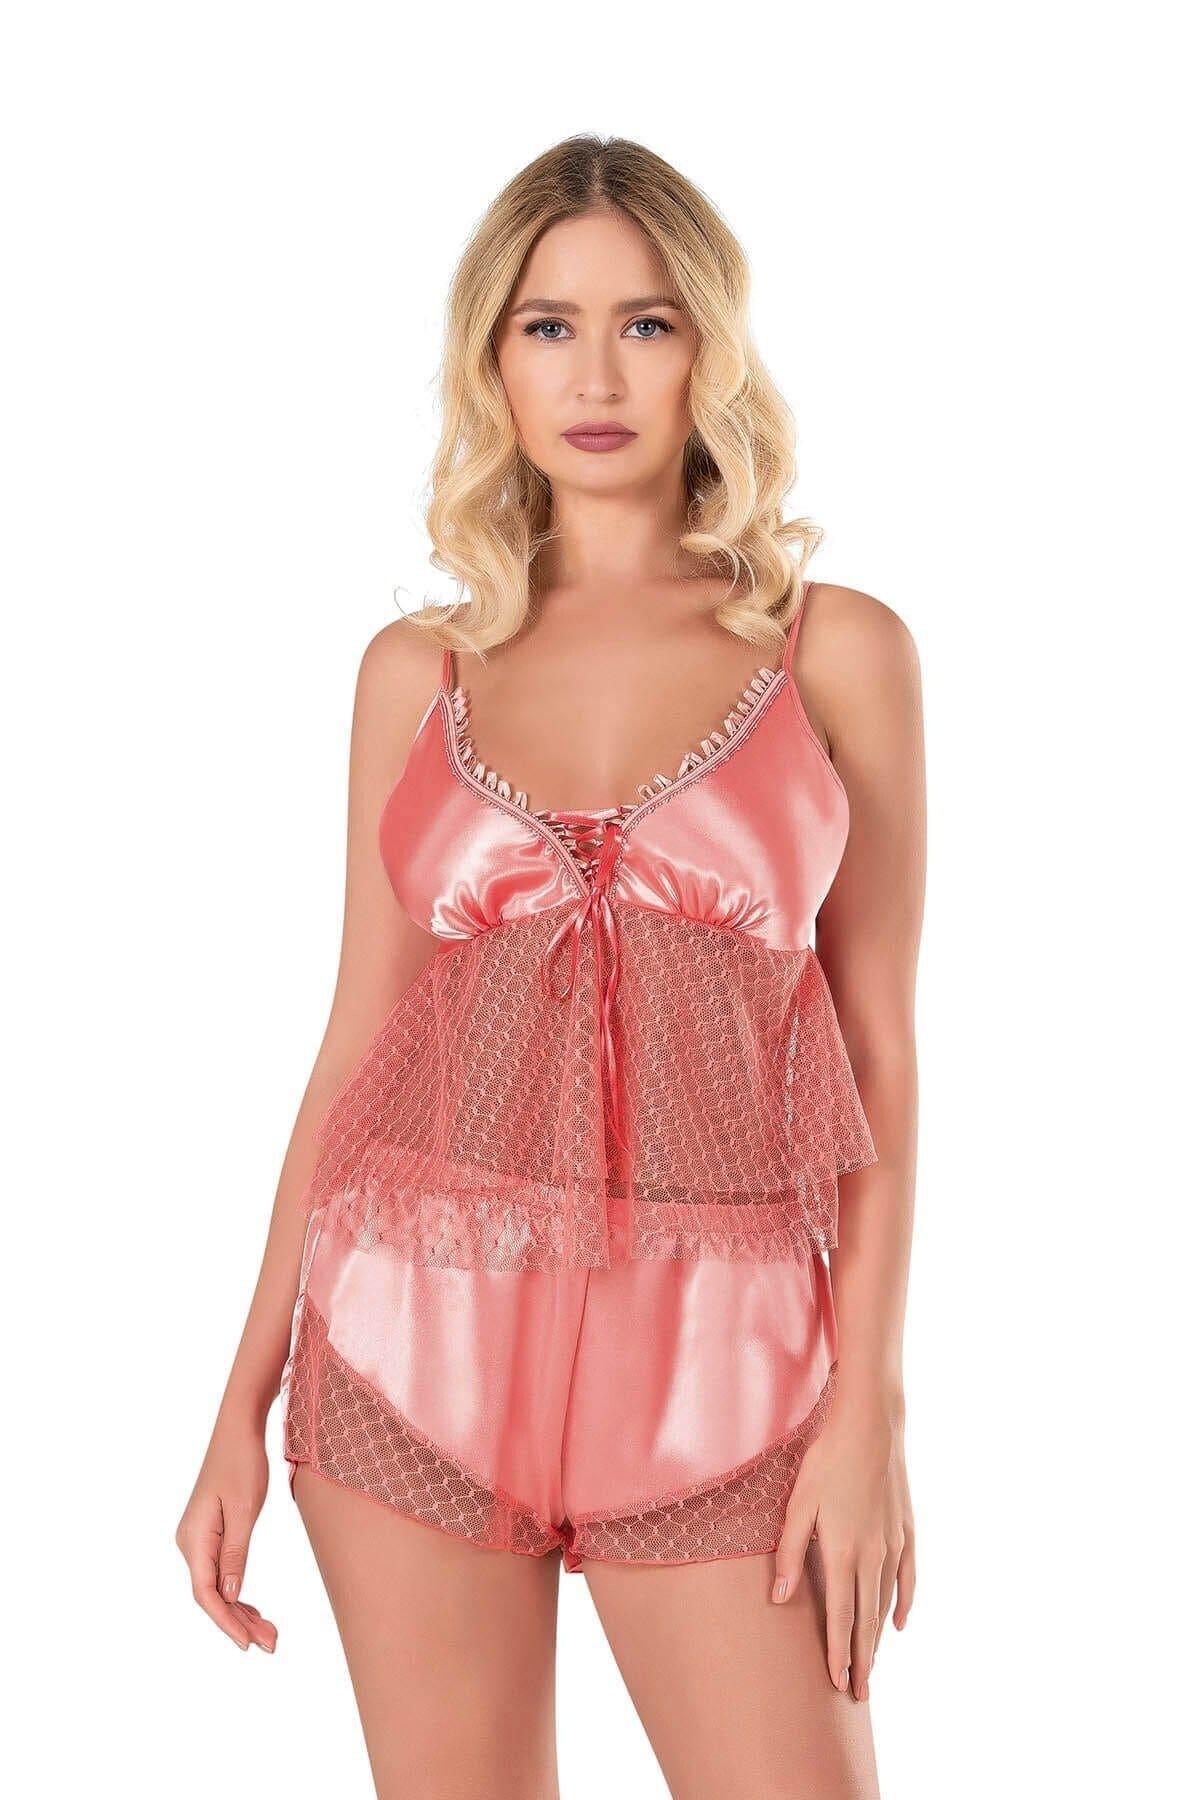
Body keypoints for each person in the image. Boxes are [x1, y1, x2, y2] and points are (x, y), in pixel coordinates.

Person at [176, 133, 925, 1800]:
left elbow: (880, 1047)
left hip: (726, 1362)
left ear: (711, 350)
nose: (597, 376)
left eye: (647, 324)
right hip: (410, 1337)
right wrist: (242, 1393)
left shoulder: (835, 651)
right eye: (548, 327)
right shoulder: (416, 671)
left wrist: (868, 1408)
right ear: (491, 360)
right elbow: (356, 1042)